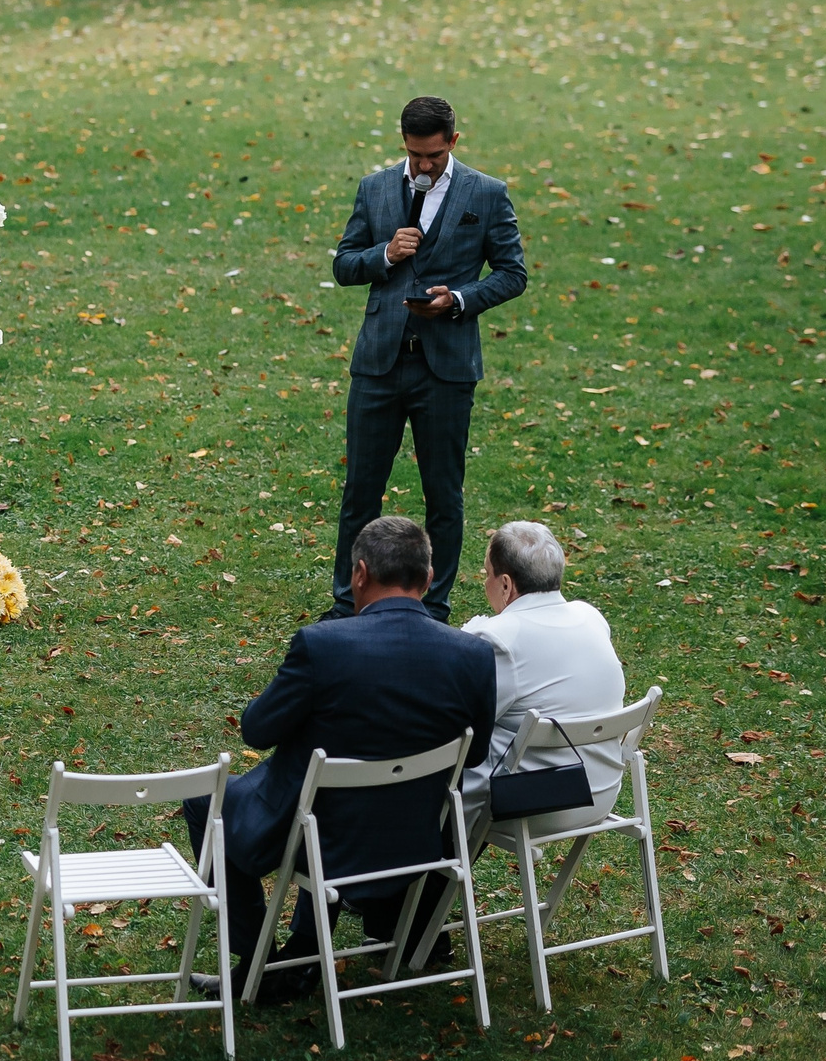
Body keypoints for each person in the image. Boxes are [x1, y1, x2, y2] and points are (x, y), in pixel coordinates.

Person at [185, 516, 496, 1002]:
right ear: (428, 579)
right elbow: (475, 753)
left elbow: (258, 729)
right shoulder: (473, 655)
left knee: (206, 804)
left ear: (359, 574)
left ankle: (259, 957)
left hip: (323, 833)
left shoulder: (322, 646)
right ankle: (306, 952)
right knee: (326, 798)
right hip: (414, 835)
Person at [327, 95, 527, 620]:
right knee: (360, 491)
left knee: (443, 495)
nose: (422, 166)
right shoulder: (374, 188)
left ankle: (432, 610)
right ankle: (349, 605)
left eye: (433, 156)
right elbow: (344, 265)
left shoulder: (486, 194)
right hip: (379, 364)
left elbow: (512, 273)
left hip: (446, 368)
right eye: (414, 155)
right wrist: (385, 254)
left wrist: (458, 299)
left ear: (453, 142)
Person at [460, 520, 627, 833]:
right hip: (601, 791)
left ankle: (427, 874)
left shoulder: (500, 639)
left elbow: (460, 724)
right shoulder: (590, 616)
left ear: (506, 585)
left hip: (534, 802)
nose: (486, 584)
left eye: (487, 575)